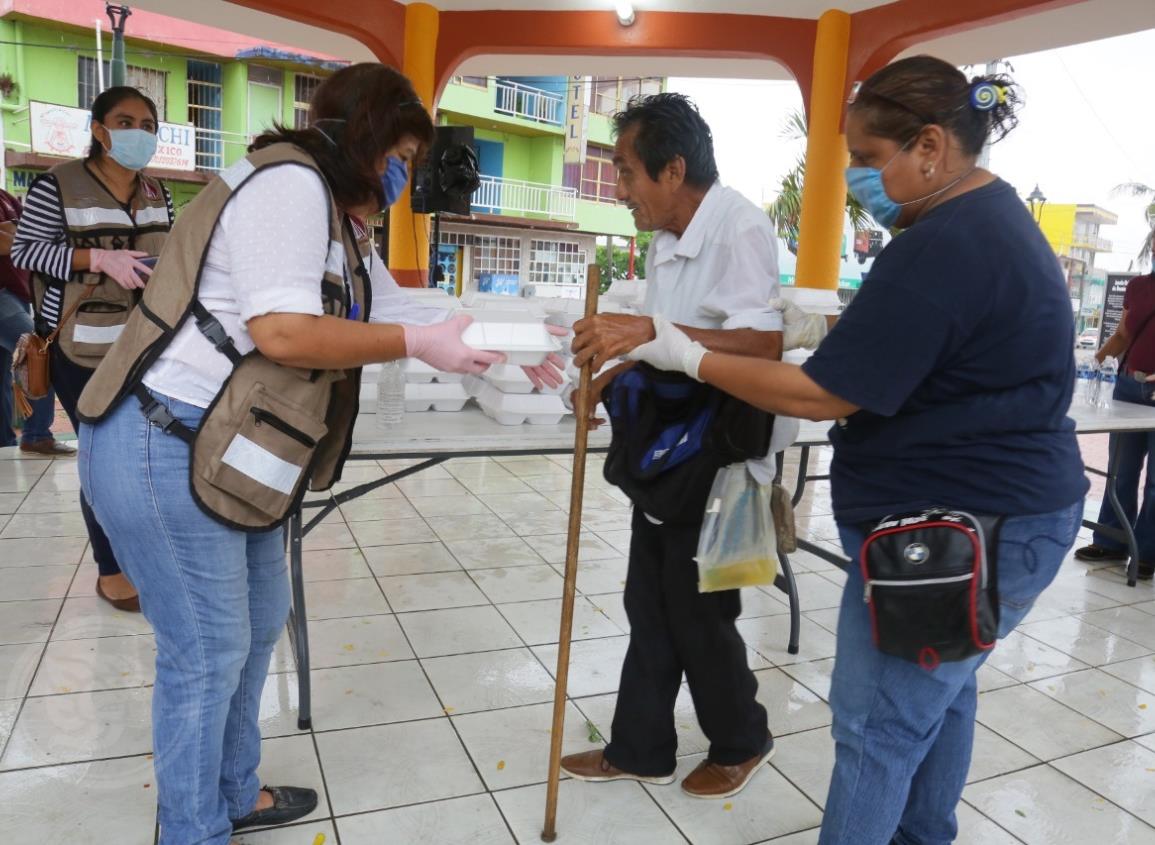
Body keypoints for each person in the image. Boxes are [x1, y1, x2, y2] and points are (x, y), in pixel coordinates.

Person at [617, 56, 1088, 844]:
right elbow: (917, 346)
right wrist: (824, 330)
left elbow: (822, 395)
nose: (863, 181)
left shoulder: (946, 242)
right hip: (994, 507)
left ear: (931, 147)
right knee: (939, 699)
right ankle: (919, 835)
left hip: (963, 527)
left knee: (876, 728)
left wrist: (684, 353)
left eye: (870, 161)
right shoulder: (980, 222)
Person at [74, 63, 517, 845]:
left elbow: (395, 304)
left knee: (259, 618)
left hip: (228, 450)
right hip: (163, 439)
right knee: (207, 649)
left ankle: (234, 792)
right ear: (367, 139)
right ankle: (191, 827)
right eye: (400, 159)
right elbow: (282, 329)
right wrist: (421, 344)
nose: (402, 179)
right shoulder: (289, 186)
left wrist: (495, 337)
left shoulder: (340, 222)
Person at [564, 92, 793, 799]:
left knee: (699, 608)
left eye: (628, 173)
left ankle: (741, 737)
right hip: (667, 443)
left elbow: (761, 344)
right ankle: (640, 746)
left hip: (721, 446)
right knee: (647, 598)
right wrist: (616, 372)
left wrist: (646, 338)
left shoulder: (738, 229)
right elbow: (670, 339)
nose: (621, 191)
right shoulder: (666, 240)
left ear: (672, 169)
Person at [12, 85, 174, 612]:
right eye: (126, 121)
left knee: (149, 458)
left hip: (149, 346)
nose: (139, 133)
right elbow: (26, 250)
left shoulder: (157, 191)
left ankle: (146, 555)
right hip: (82, 350)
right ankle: (110, 566)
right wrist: (95, 261)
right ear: (99, 129)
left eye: (149, 124)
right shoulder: (57, 185)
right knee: (105, 459)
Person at [1073, 271, 1155, 580]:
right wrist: (1092, 363)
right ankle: (1110, 541)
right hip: (1129, 387)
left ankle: (1146, 553)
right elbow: (1123, 334)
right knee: (1120, 470)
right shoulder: (1137, 287)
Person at [0, 187, 74, 455]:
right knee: (37, 353)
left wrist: (16, 230)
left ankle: (4, 445)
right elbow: (11, 242)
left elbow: (31, 238)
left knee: (3, 376)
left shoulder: (4, 198)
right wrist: (16, 232)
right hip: (2, 298)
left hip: (18, 294)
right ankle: (36, 434)